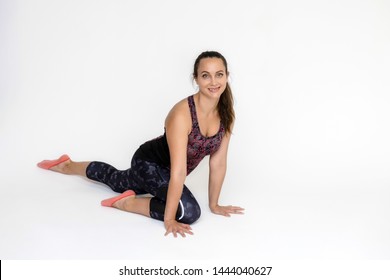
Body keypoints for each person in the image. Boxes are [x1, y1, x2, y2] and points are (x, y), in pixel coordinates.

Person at [37, 51, 244, 237]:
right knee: (189, 212)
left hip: (168, 172)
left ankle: (68, 164)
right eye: (205, 75)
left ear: (226, 76)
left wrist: (215, 205)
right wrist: (169, 219)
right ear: (196, 79)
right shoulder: (182, 114)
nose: (213, 81)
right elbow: (178, 172)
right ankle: (127, 203)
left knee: (118, 181)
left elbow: (218, 163)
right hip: (148, 162)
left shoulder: (226, 113)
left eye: (219, 74)